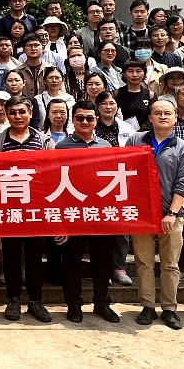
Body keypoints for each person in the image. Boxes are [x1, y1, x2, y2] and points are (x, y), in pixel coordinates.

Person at [127, 96, 184, 330]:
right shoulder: (135, 140)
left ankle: (169, 308)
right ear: (150, 117)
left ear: (176, 117)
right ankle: (147, 306)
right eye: (157, 113)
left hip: (171, 215)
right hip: (141, 214)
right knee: (144, 263)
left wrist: (173, 213)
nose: (162, 116)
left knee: (170, 264)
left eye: (167, 113)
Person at [0, 96, 54, 322]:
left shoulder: (43, 141)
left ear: (30, 113)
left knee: (35, 256)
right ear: (6, 115)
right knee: (11, 256)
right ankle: (13, 300)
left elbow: (52, 173)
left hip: (35, 207)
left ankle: (36, 301)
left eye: (22, 112)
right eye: (13, 112)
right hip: (9, 208)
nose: (17, 116)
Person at [54, 101, 121, 323]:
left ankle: (102, 302)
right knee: (71, 262)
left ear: (96, 120)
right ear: (72, 120)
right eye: (80, 118)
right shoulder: (62, 147)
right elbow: (55, 184)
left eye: (89, 118)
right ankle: (74, 304)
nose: (85, 122)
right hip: (73, 213)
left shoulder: (106, 146)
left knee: (103, 261)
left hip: (101, 213)